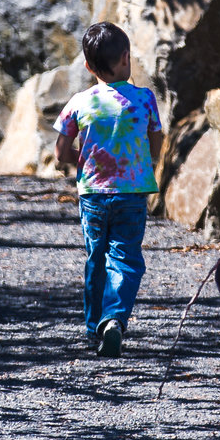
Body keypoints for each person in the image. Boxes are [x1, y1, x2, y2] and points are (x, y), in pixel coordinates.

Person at [55, 21, 164, 357]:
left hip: (93, 195)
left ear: (88, 67)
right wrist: (148, 162)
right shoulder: (144, 99)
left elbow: (60, 152)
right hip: (132, 194)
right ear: (126, 58)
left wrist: (82, 159)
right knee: (126, 257)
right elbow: (156, 139)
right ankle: (114, 318)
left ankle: (94, 329)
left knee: (96, 258)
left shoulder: (79, 102)